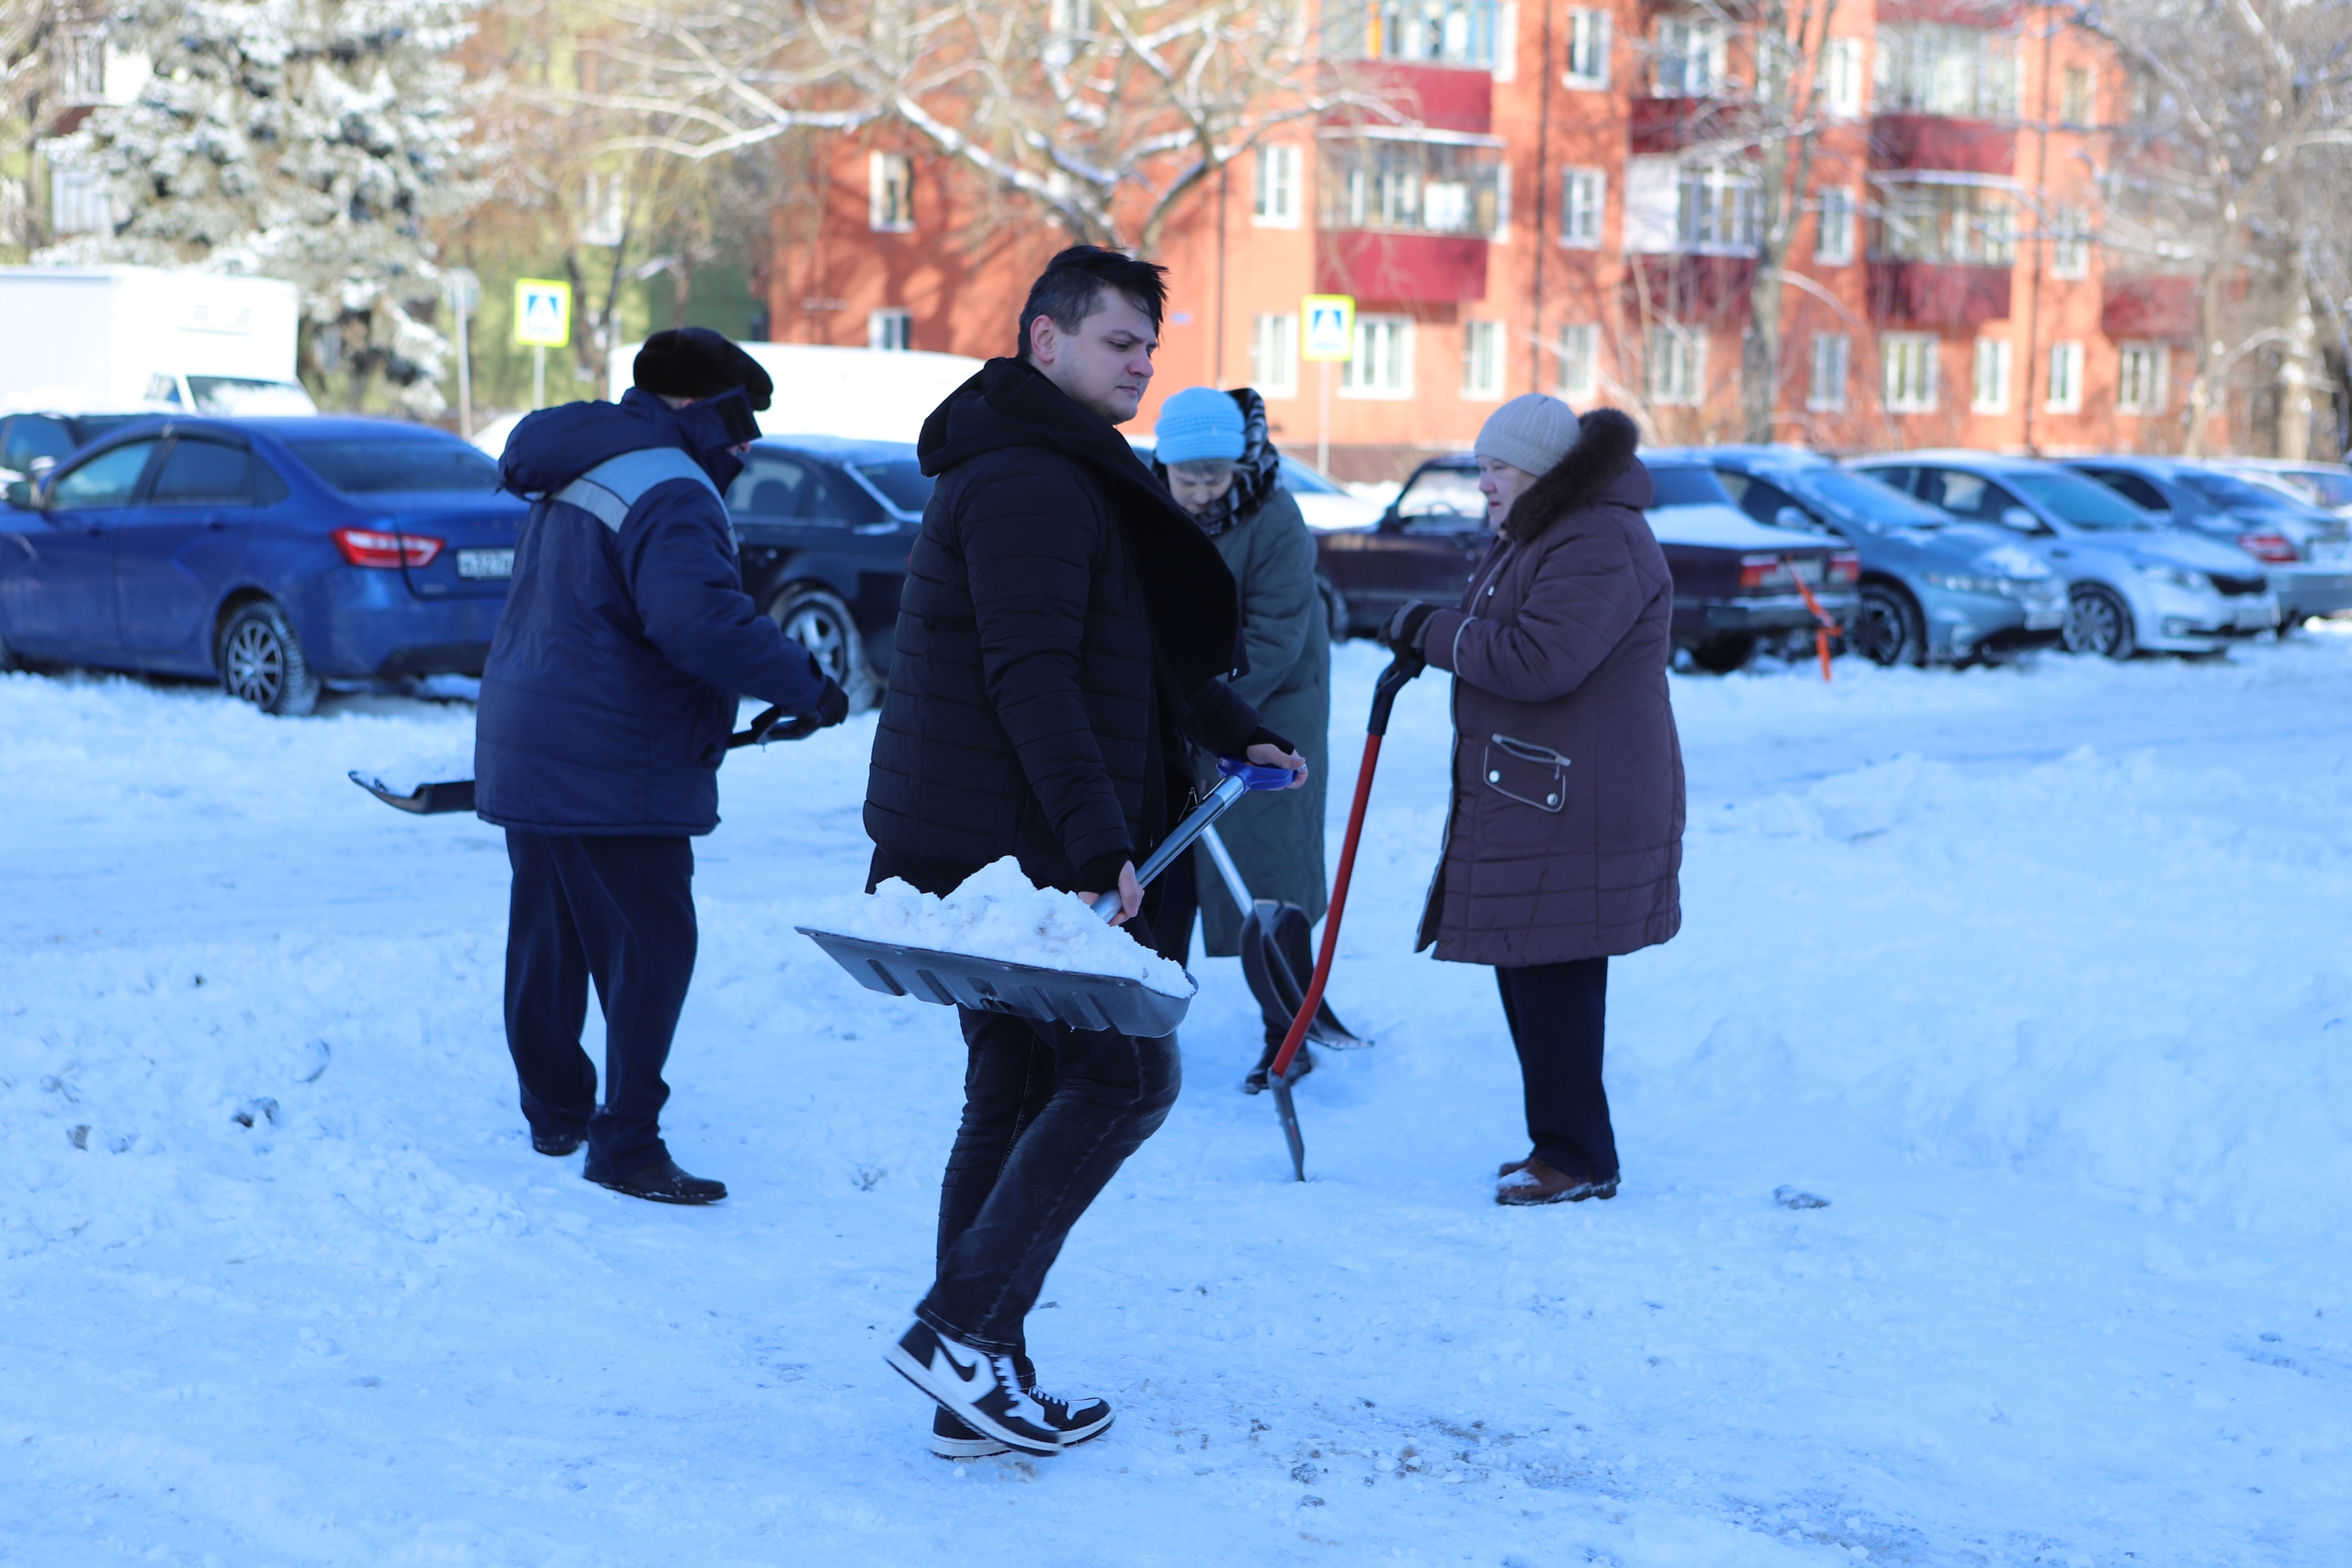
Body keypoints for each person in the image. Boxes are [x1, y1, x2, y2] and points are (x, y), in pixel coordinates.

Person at [864, 246, 1308, 1458]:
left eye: (1150, 348)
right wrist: (1100, 836)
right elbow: (1032, 672)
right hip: (1018, 846)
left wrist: (1232, 726)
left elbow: (1130, 650)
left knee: (1014, 1088)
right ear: (1045, 339)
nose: (1142, 365)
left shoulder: (1057, 463)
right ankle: (961, 1334)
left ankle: (975, 1376)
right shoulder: (1027, 477)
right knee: (1124, 1076)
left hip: (1010, 838)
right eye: (1120, 342)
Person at [476, 328, 848, 1206]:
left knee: (552, 931)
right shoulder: (671, 484)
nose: (748, 444)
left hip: (532, 734)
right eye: (740, 419)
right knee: (652, 944)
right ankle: (628, 1143)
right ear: (694, 406)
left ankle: (556, 1109)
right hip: (612, 756)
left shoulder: (586, 460)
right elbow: (699, 622)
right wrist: (808, 684)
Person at [1377, 393, 1683, 1207]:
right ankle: (1563, 1144)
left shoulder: (1598, 539)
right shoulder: (1547, 531)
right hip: (1542, 787)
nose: (1483, 483)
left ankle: (1578, 1157)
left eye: (1498, 468)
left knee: (1554, 974)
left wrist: (1432, 630)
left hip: (1579, 797)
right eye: (1481, 467)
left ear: (1544, 472)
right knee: (1530, 964)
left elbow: (1541, 659)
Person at [1146, 385, 1332, 1091]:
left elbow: (1276, 636)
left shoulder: (1276, 519)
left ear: (1240, 467)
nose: (1200, 492)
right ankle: (1143, 1039)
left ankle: (1288, 1034)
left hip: (1268, 713)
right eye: (1186, 477)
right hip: (1181, 705)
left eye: (1214, 477)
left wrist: (1191, 700)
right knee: (1163, 875)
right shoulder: (1149, 504)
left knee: (1267, 879)